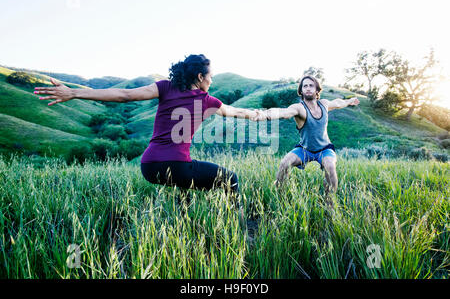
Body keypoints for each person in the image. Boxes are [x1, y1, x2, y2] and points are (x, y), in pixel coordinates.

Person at [34, 54, 262, 216]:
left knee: (184, 184)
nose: (212, 80)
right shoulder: (208, 100)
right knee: (230, 179)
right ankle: (239, 224)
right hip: (177, 165)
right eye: (211, 76)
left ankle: (185, 224)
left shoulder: (165, 87)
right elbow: (237, 112)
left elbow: (124, 95)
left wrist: (74, 93)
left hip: (149, 166)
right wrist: (263, 115)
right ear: (201, 76)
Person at [253, 75, 359, 207]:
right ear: (301, 90)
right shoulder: (299, 108)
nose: (308, 88)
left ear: (317, 90)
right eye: (305, 86)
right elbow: (284, 112)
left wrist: (350, 101)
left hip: (325, 149)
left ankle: (330, 204)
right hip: (305, 149)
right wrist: (264, 114)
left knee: (330, 166)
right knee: (284, 163)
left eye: (311, 86)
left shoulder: (324, 104)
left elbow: (338, 103)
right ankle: (281, 199)